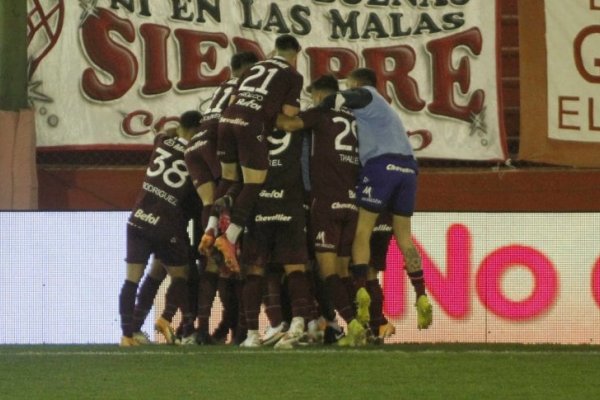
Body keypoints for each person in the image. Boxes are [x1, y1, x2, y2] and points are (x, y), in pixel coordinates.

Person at [321, 68, 433, 331]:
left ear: (357, 82)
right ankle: (421, 295)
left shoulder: (368, 95)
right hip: (409, 169)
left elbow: (342, 99)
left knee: (363, 231)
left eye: (350, 83)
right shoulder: (387, 113)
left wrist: (328, 105)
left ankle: (361, 291)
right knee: (404, 237)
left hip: (381, 165)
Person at [276, 75, 367, 346]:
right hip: (352, 201)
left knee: (327, 273)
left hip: (325, 201)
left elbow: (290, 124)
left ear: (317, 94)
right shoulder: (354, 117)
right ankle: (364, 325)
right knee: (342, 271)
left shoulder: (320, 111)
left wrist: (267, 113)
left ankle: (352, 325)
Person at [203, 34, 304, 273]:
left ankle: (210, 229)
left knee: (229, 177)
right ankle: (229, 238)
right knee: (254, 182)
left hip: (226, 119)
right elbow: (289, 112)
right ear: (296, 54)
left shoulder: (256, 67)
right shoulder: (293, 75)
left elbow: (235, 98)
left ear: (274, 50)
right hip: (250, 124)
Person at [185, 51, 258, 344]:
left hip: (197, 144)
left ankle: (203, 328)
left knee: (213, 260)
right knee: (235, 260)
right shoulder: (247, 88)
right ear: (248, 70)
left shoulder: (222, 87)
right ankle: (239, 330)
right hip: (221, 150)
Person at [118, 110, 201, 347]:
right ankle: (166, 318)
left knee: (135, 279)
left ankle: (128, 334)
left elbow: (164, 132)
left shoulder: (162, 141)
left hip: (139, 218)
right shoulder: (195, 154)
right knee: (181, 276)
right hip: (166, 223)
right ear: (196, 131)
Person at [237, 128, 318, 349]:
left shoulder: (252, 124)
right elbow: (306, 168)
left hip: (258, 203)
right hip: (290, 203)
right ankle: (298, 325)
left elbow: (240, 167)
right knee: (295, 266)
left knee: (254, 269)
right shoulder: (300, 127)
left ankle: (252, 335)